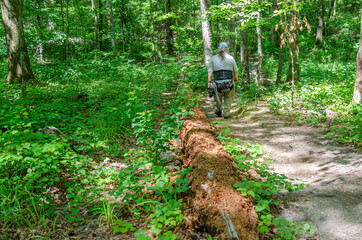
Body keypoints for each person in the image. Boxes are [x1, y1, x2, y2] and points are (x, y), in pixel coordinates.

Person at [208, 42, 238, 119]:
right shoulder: (231, 58)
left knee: (218, 97)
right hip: (229, 83)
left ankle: (218, 110)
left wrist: (209, 82)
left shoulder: (213, 58)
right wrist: (235, 78)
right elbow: (235, 71)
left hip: (217, 83)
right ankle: (226, 113)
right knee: (228, 97)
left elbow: (210, 71)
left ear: (219, 49)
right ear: (226, 49)